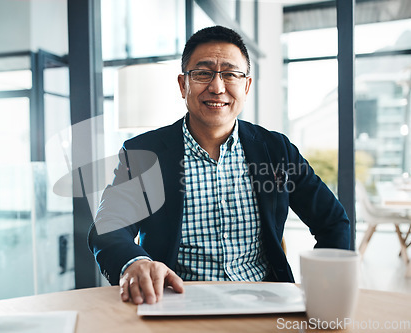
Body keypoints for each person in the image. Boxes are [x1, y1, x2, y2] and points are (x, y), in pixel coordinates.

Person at [88, 25, 350, 305]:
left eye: (230, 74)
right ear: (182, 84)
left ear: (246, 86)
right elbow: (109, 225)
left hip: (264, 303)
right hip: (174, 302)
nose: (217, 87)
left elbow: (332, 221)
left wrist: (324, 285)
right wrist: (133, 262)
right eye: (202, 73)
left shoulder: (276, 150)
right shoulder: (143, 153)